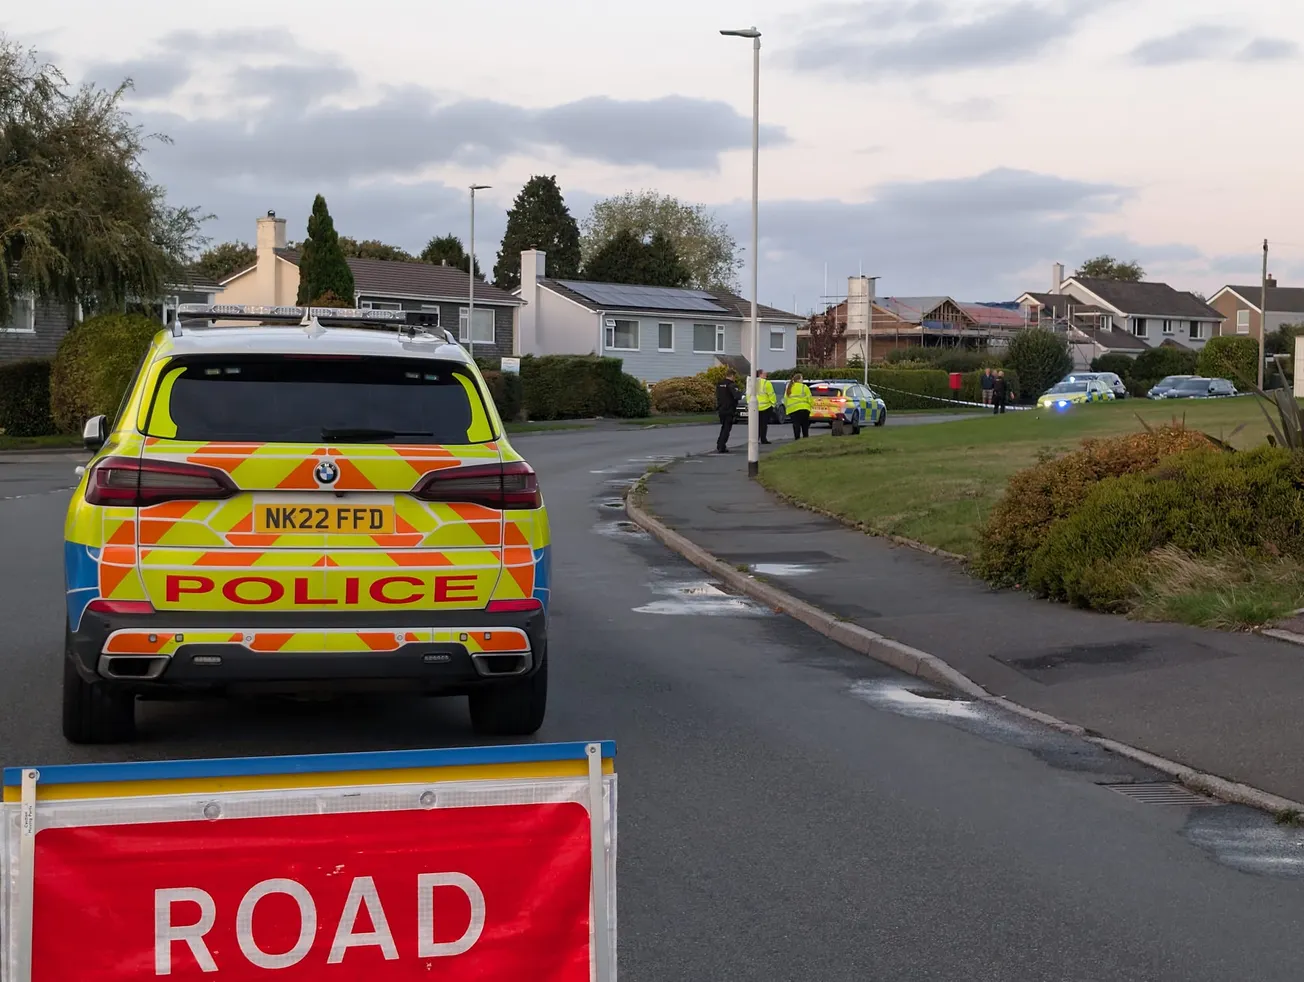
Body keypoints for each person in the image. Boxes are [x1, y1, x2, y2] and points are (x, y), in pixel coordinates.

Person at [715, 370, 741, 453]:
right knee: (727, 428)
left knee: (723, 427)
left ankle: (720, 444)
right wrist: (739, 392)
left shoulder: (719, 384)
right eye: (734, 376)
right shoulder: (732, 385)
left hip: (721, 409)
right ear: (732, 376)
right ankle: (721, 446)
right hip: (729, 409)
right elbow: (738, 396)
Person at [786, 372, 813, 439]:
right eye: (802, 379)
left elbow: (785, 399)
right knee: (805, 426)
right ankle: (805, 439)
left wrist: (787, 409)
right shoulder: (804, 387)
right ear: (798, 380)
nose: (802, 380)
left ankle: (797, 439)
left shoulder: (789, 387)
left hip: (793, 410)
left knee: (796, 425)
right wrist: (811, 406)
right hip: (804, 409)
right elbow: (809, 398)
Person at [755, 369, 777, 444]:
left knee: (756, 425)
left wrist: (749, 403)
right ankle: (763, 439)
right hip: (766, 407)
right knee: (763, 424)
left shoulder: (753, 383)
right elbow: (771, 394)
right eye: (764, 373)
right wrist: (773, 404)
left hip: (755, 407)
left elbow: (749, 394)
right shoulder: (767, 383)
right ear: (760, 374)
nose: (766, 374)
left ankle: (756, 439)